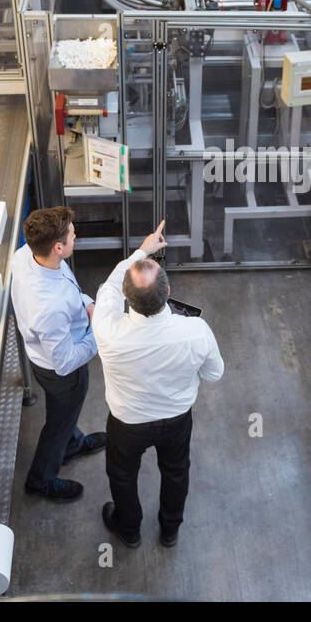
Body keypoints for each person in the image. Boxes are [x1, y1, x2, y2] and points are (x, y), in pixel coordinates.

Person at [91, 221, 224, 548]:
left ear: (126, 296)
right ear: (167, 292)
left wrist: (142, 250)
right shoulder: (196, 331)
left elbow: (108, 285)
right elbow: (214, 374)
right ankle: (170, 530)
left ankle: (130, 530)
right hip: (177, 419)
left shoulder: (107, 330)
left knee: (122, 476)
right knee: (176, 471)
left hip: (127, 423)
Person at [10, 206, 107, 501]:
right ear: (58, 247)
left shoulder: (27, 255)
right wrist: (100, 335)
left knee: (63, 416)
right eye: (72, 234)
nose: (76, 235)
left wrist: (88, 304)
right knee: (58, 421)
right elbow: (64, 363)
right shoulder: (48, 307)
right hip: (62, 373)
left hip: (45, 355)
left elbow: (69, 290)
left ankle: (73, 444)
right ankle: (41, 480)